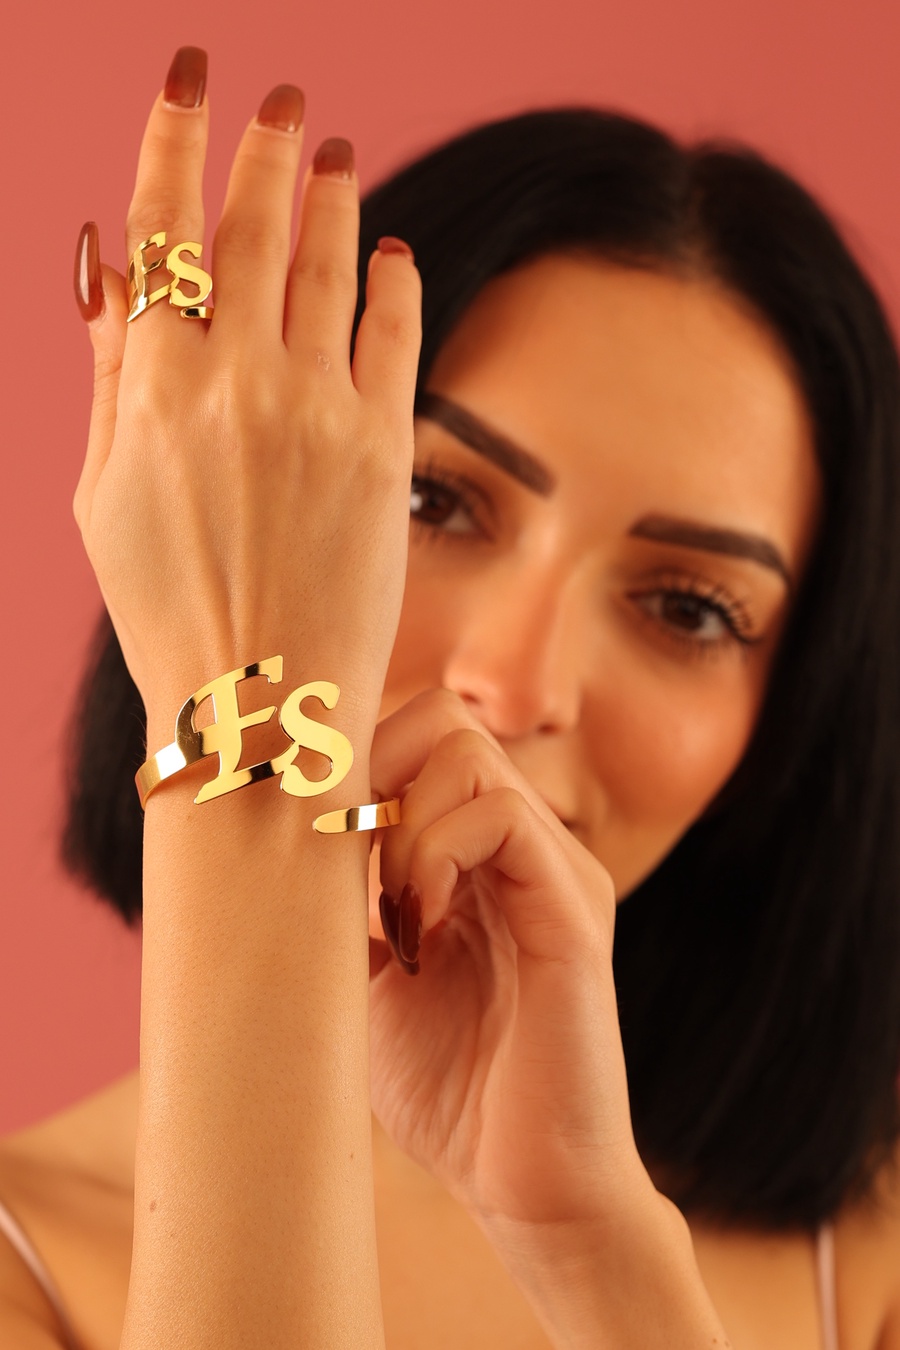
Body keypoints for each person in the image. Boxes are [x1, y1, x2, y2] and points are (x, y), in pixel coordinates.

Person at [1, 41, 899, 1349]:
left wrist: (594, 1248)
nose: (514, 684)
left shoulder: (868, 1255)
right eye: (432, 499)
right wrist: (246, 741)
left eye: (689, 607)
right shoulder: (29, 1259)